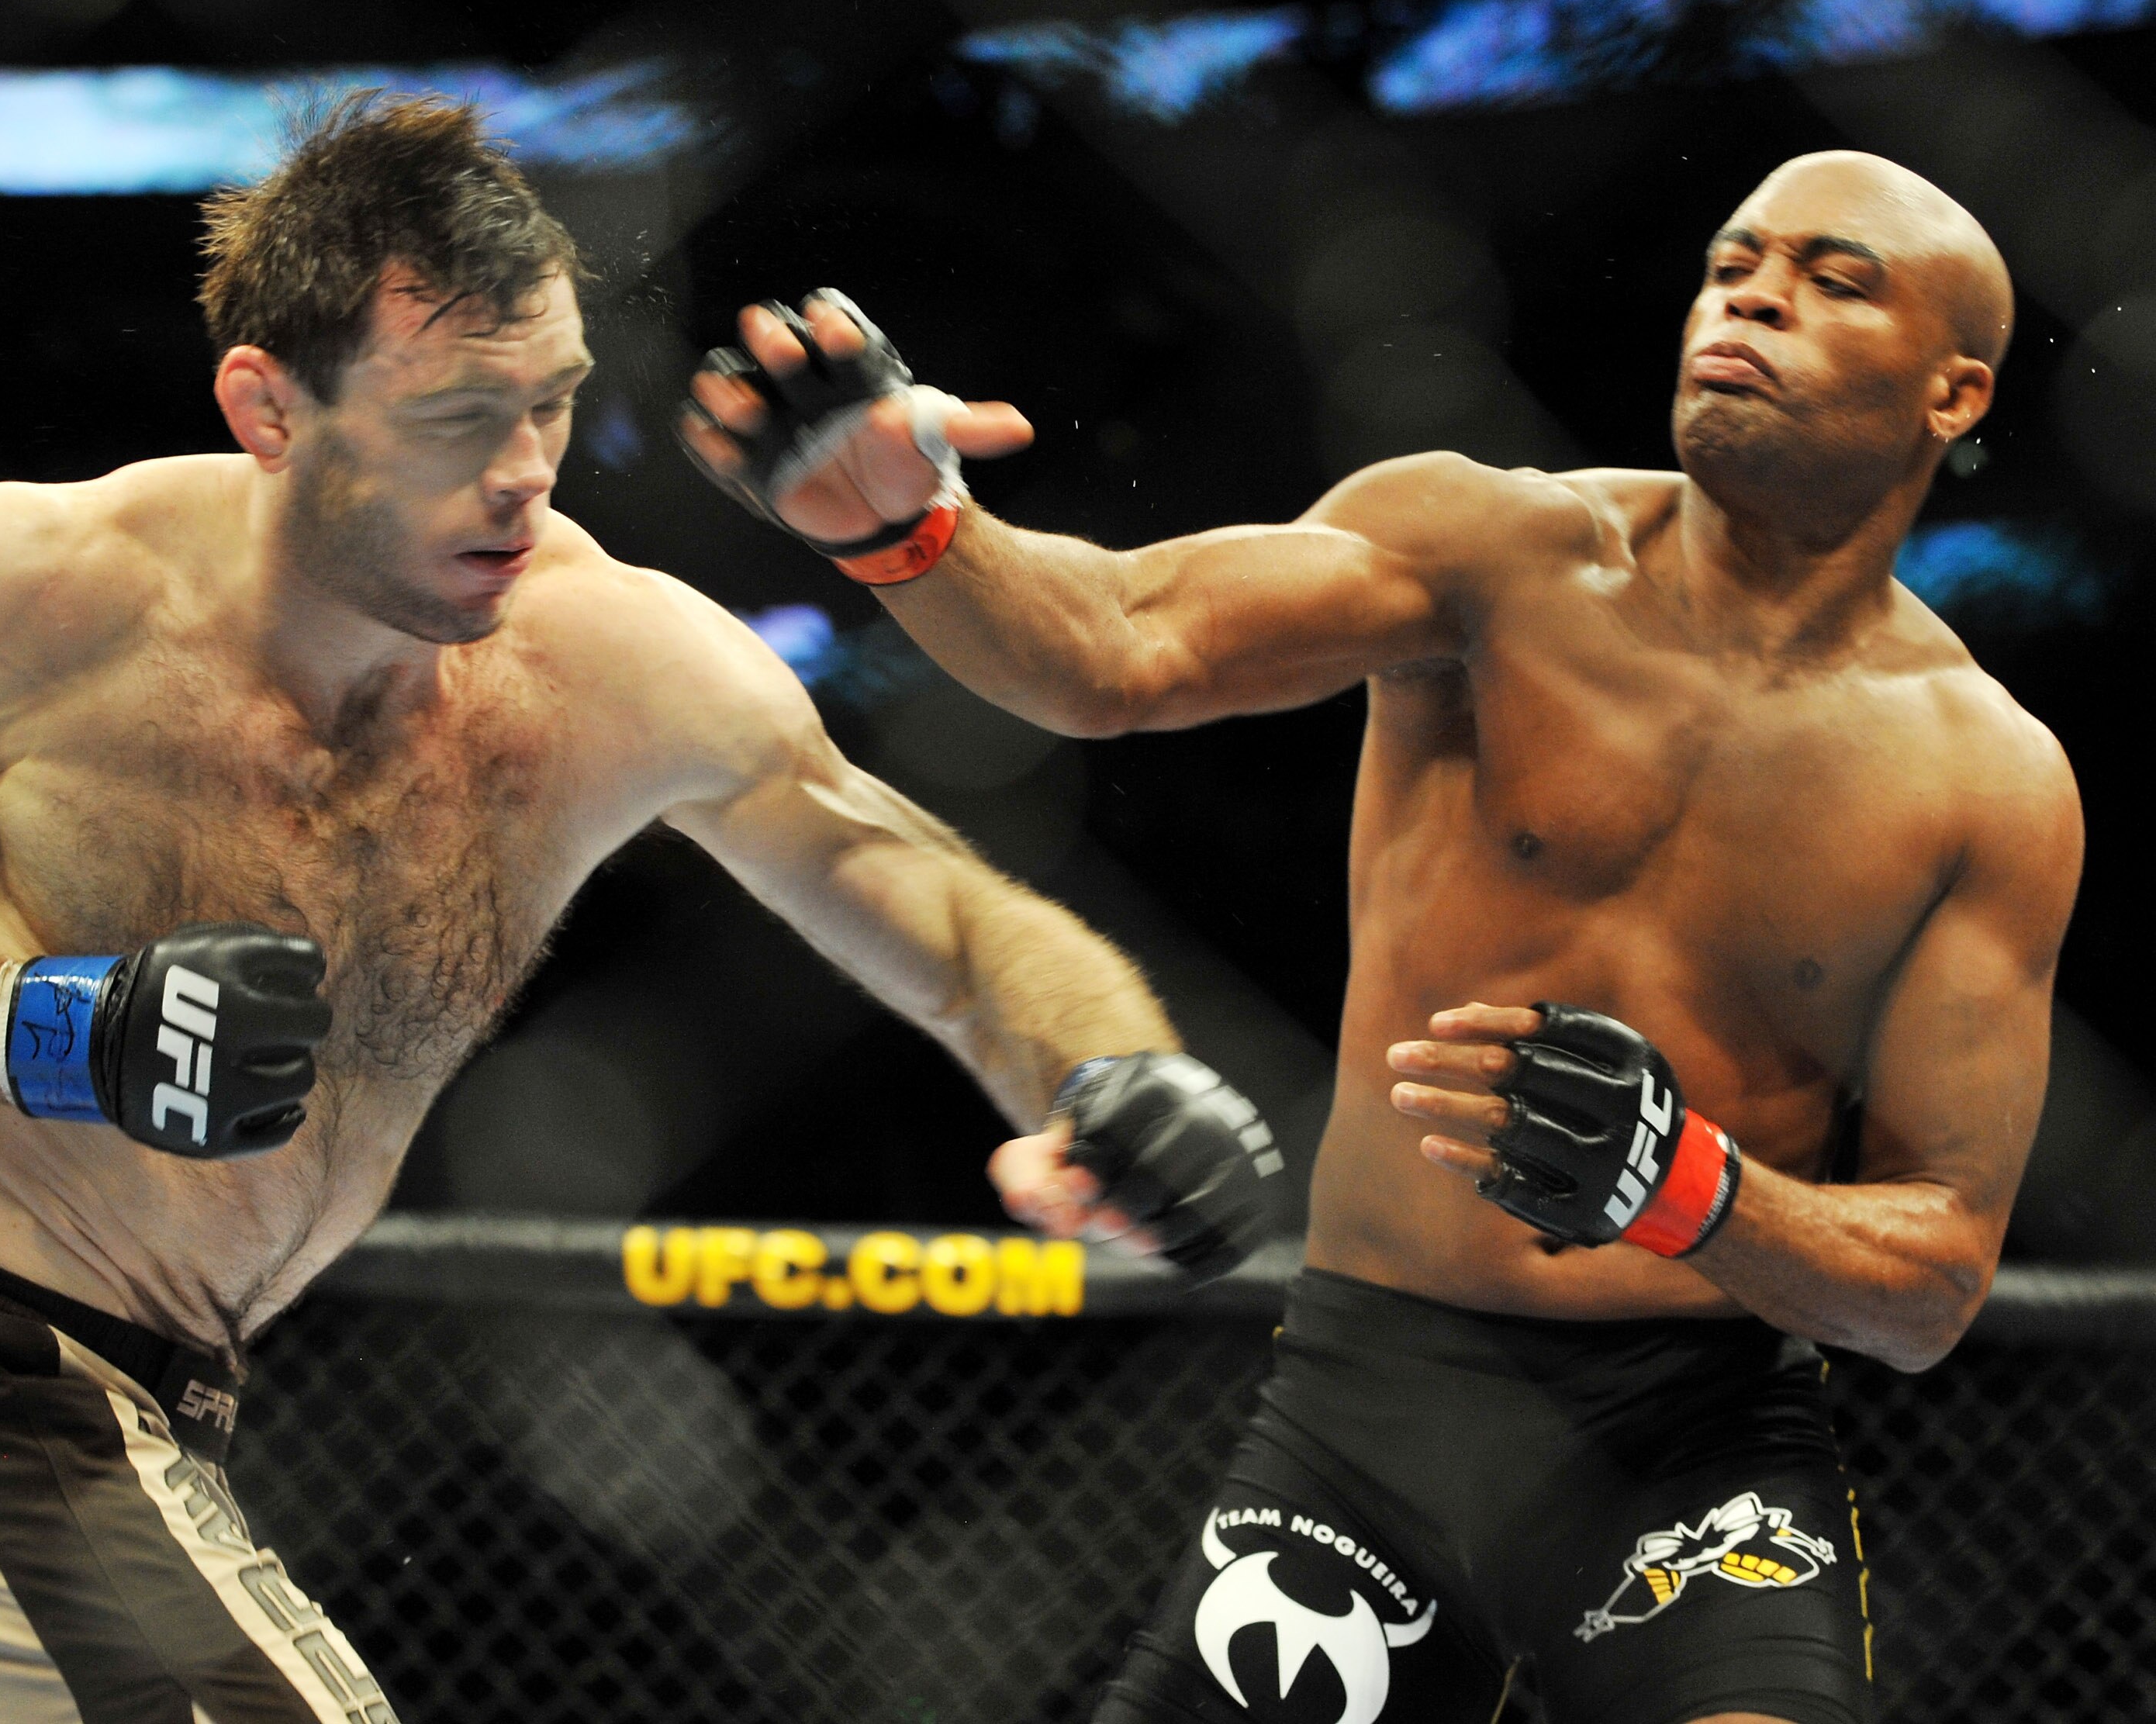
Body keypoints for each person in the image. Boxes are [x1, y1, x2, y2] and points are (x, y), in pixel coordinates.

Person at [0, 95, 1287, 1724]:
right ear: (268, 407)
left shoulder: (609, 661)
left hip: (141, 1424)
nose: (523, 474)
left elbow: (938, 904)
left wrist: (1112, 1078)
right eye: (454, 421)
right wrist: (59, 1026)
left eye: (546, 403)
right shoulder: (35, 590)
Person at [679, 150, 2083, 1724]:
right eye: (1732, 260)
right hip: (1374, 1398)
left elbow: (1929, 1277)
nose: (1750, 292)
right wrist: (913, 530)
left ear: (1950, 393)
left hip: (1693, 1441)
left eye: (1833, 280)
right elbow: (1121, 648)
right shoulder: (1490, 550)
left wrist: (1689, 1187)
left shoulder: (1987, 776)